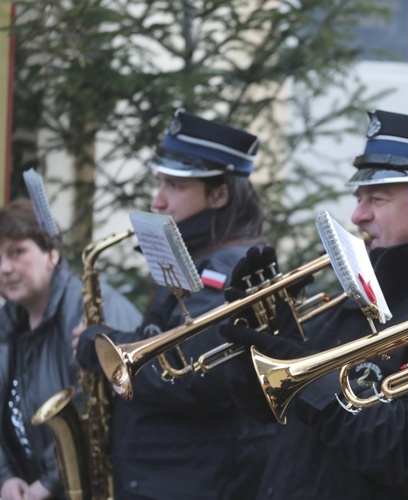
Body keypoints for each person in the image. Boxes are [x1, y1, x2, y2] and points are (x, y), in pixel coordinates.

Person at [221, 110, 408, 499]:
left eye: (377, 198)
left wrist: (308, 378)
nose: (358, 215)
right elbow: (270, 415)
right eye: (359, 199)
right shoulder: (357, 296)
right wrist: (257, 347)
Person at [74, 109, 275, 499]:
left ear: (220, 194)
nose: (158, 200)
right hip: (172, 474)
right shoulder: (199, 255)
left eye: (176, 186)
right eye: (160, 182)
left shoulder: (225, 268)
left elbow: (187, 372)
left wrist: (101, 345)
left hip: (194, 480)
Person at [0, 199, 142, 500]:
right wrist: (6, 477)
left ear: (51, 254)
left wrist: (49, 484)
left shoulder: (90, 310)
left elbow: (99, 409)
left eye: (17, 252)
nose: (4, 268)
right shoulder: (9, 319)